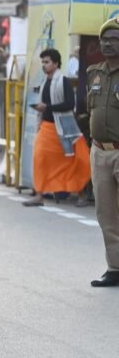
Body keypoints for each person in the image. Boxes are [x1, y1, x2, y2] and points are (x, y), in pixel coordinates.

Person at [22, 49, 91, 207]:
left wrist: (47, 107)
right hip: (47, 128)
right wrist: (43, 109)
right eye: (43, 62)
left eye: (47, 62)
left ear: (56, 63)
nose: (44, 65)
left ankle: (81, 194)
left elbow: (69, 104)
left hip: (63, 129)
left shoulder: (63, 81)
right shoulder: (45, 81)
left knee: (70, 162)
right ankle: (39, 195)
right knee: (39, 159)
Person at [86, 17, 119, 287]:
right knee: (105, 213)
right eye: (104, 40)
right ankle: (115, 268)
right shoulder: (94, 73)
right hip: (99, 151)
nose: (108, 44)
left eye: (114, 39)